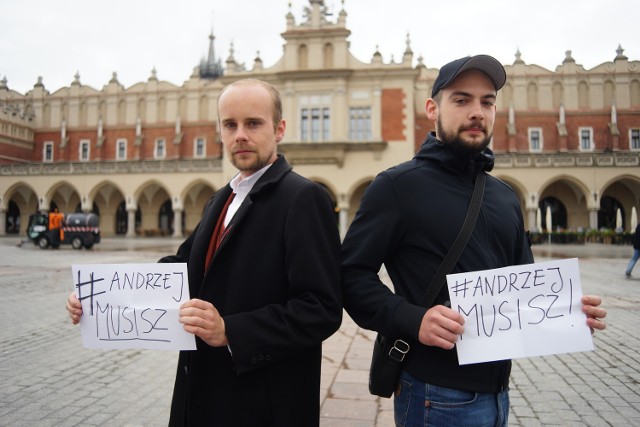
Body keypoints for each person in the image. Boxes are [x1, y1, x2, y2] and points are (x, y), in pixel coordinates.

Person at [341, 55, 607, 426]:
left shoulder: (503, 196)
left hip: (499, 392)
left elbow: (520, 284)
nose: (477, 112)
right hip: (434, 393)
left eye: (487, 101)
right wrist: (413, 319)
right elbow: (350, 275)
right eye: (462, 100)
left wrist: (567, 310)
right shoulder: (396, 187)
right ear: (432, 108)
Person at [67, 79, 343, 426]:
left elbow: (322, 308)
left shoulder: (303, 198)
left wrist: (231, 330)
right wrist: (98, 298)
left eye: (253, 123)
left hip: (261, 404)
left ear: (280, 129)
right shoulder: (221, 199)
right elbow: (180, 271)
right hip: (201, 396)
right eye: (230, 124)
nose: (240, 134)